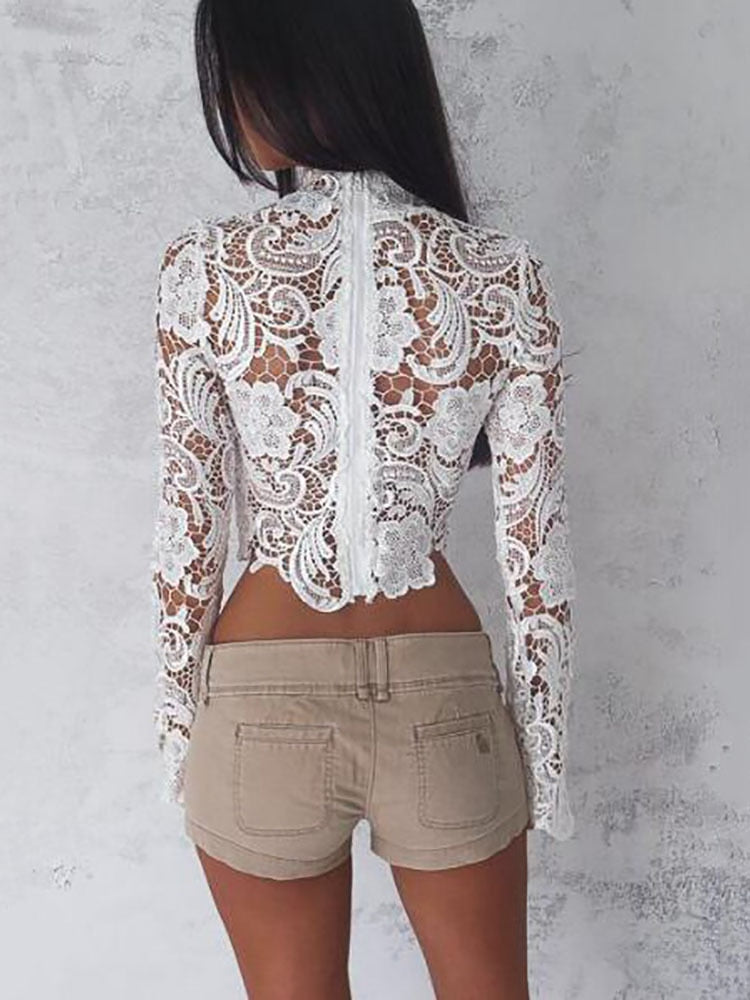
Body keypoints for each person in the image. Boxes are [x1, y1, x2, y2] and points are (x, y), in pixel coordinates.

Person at [149, 0, 577, 996]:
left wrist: (179, 734)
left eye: (236, 73)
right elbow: (536, 555)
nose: (230, 102)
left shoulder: (203, 271)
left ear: (284, 76)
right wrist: (543, 759)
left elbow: (187, 529)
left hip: (258, 700)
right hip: (445, 699)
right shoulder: (501, 276)